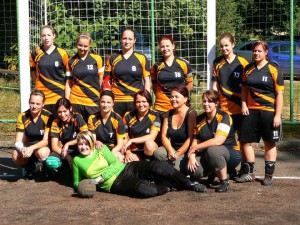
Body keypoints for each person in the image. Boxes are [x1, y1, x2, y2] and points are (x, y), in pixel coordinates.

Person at [73, 130, 207, 198]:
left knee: (160, 166)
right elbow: (76, 182)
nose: (83, 147)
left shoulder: (101, 149)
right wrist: (85, 186)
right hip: (115, 184)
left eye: (86, 143)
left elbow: (114, 163)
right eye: (80, 144)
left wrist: (100, 178)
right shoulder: (77, 160)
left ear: (91, 142)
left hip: (125, 168)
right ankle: (167, 186)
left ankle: (189, 184)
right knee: (145, 190)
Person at [236, 40, 284, 186]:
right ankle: (249, 173)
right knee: (244, 141)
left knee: (269, 142)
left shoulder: (274, 69)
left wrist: (277, 115)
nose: (256, 53)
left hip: (269, 111)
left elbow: (280, 94)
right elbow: (244, 89)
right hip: (251, 110)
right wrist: (244, 104)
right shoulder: (248, 68)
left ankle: (268, 174)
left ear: (266, 52)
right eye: (254, 51)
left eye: (259, 51)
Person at [187, 90, 241, 192]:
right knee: (195, 171)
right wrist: (192, 156)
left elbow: (218, 141)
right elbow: (195, 141)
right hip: (209, 154)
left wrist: (195, 148)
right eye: (204, 101)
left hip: (231, 153)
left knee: (213, 150)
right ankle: (213, 172)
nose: (206, 104)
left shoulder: (224, 116)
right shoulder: (198, 119)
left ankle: (224, 181)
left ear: (216, 103)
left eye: (209, 101)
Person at [103, 27, 151, 117]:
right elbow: (106, 81)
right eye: (124, 38)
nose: (127, 41)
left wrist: (146, 100)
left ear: (134, 40)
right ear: (121, 40)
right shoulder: (112, 58)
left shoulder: (142, 58)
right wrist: (108, 101)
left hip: (135, 101)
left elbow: (147, 81)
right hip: (117, 101)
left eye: (130, 39)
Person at [153, 87, 198, 175]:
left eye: (176, 97)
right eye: (171, 97)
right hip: (172, 149)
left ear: (185, 99)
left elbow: (191, 138)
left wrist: (177, 154)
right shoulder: (168, 113)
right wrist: (170, 150)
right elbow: (164, 136)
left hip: (186, 151)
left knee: (176, 170)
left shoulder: (191, 114)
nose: (173, 99)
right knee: (158, 152)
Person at [29, 25, 70, 116]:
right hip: (42, 96)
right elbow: (33, 72)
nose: (46, 38)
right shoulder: (35, 53)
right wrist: (39, 83)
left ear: (54, 36)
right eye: (43, 35)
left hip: (58, 94)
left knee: (58, 126)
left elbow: (69, 74)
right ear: (40, 37)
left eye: (49, 35)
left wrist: (66, 97)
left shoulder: (62, 53)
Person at [212, 33, 248, 133]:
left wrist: (245, 104)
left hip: (240, 107)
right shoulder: (217, 62)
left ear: (233, 44)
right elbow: (215, 85)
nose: (224, 48)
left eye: (226, 45)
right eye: (222, 46)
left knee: (243, 139)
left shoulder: (243, 62)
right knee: (225, 137)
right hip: (224, 107)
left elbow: (247, 86)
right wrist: (216, 102)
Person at [12, 90, 53, 178]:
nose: (34, 106)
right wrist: (22, 149)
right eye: (32, 103)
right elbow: (17, 141)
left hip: (43, 146)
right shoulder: (22, 116)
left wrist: (31, 148)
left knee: (42, 152)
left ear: (43, 104)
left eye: (38, 104)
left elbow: (45, 141)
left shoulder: (48, 116)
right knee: (15, 155)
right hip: (28, 146)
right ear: (29, 102)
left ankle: (44, 165)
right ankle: (28, 166)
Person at [150, 35, 193, 117]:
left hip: (180, 106)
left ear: (173, 46)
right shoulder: (155, 66)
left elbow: (190, 84)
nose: (165, 49)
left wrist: (180, 96)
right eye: (162, 46)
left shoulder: (183, 63)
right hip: (161, 107)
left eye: (167, 46)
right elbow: (154, 86)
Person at [66, 33, 104, 122]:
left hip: (93, 101)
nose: (82, 48)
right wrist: (67, 102)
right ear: (76, 44)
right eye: (80, 45)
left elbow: (101, 82)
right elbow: (68, 84)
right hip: (75, 101)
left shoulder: (97, 59)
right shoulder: (71, 61)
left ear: (90, 45)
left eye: (85, 46)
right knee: (77, 130)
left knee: (94, 130)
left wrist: (100, 98)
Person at [47, 98, 88, 172]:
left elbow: (86, 135)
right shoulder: (55, 122)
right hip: (63, 151)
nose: (62, 115)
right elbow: (54, 146)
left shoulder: (77, 118)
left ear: (70, 109)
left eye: (65, 111)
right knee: (51, 161)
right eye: (59, 112)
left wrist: (68, 144)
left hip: (78, 149)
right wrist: (66, 155)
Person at [122, 89, 161, 162]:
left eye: (144, 101)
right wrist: (128, 152)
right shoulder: (128, 116)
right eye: (138, 102)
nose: (141, 104)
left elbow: (152, 136)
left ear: (149, 102)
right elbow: (124, 136)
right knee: (128, 161)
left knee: (149, 144)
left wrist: (132, 140)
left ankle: (148, 164)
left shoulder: (155, 115)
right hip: (134, 150)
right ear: (134, 103)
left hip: (149, 149)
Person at [88, 90, 126, 162]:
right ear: (99, 102)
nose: (105, 105)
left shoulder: (118, 119)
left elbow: (120, 143)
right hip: (98, 148)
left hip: (113, 148)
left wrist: (112, 152)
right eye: (103, 102)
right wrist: (96, 142)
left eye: (108, 102)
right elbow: (93, 138)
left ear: (113, 104)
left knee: (119, 158)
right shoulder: (92, 118)